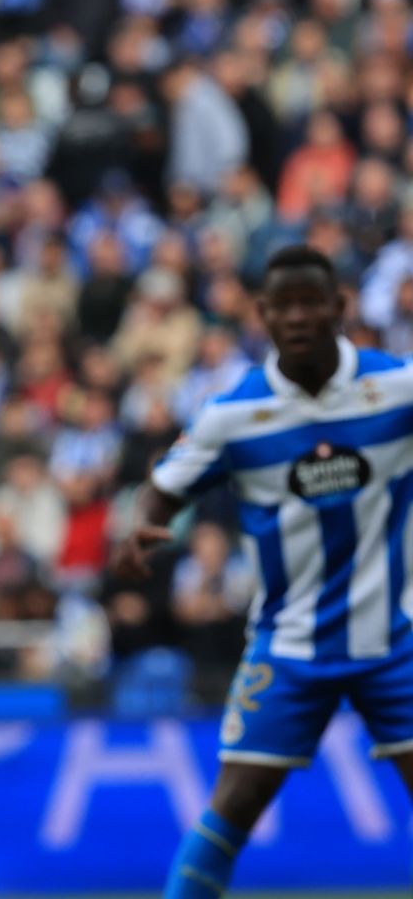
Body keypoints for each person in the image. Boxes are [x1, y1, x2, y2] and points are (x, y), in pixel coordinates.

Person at [121, 244, 413, 898]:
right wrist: (146, 523)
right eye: (285, 305)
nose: (300, 317)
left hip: (395, 639)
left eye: (313, 302)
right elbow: (168, 484)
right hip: (288, 644)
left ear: (339, 307)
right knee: (235, 803)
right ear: (262, 315)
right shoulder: (233, 416)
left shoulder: (398, 388)